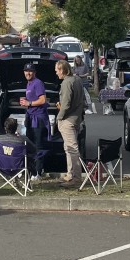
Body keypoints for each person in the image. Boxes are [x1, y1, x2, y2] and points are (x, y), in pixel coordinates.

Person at [54, 59, 85, 187]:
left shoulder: (66, 83)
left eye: (57, 71)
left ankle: (76, 177)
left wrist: (59, 117)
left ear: (62, 70)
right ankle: (70, 174)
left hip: (68, 120)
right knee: (69, 148)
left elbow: (66, 104)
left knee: (72, 149)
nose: (56, 74)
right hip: (76, 118)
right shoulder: (77, 80)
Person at [21, 62, 50, 175]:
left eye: (30, 71)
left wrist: (30, 103)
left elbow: (43, 100)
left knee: (37, 145)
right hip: (30, 117)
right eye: (26, 71)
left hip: (38, 118)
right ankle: (32, 171)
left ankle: (38, 172)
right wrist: (26, 103)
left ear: (34, 72)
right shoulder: (29, 83)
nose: (28, 73)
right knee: (30, 144)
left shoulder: (38, 83)